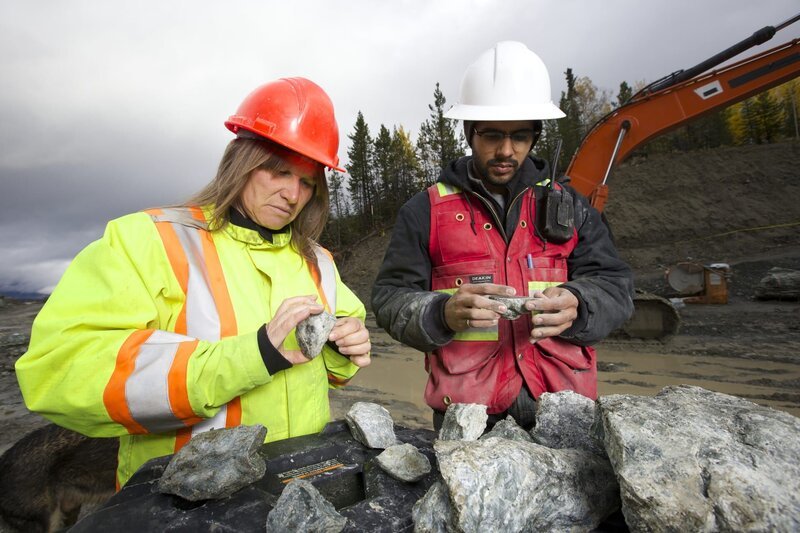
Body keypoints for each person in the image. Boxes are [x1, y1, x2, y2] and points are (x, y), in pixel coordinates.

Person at [15, 77, 371, 488]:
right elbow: (59, 371)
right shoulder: (148, 240)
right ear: (242, 161)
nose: (293, 194)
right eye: (278, 171)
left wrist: (345, 349)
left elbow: (332, 371)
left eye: (308, 181)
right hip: (178, 504)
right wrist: (250, 356)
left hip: (297, 489)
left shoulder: (320, 262)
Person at [371, 42, 634, 431]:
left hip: (563, 407)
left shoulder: (571, 207)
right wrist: (440, 313)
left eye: (520, 137)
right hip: (467, 414)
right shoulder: (425, 211)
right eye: (493, 135)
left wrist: (580, 302)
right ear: (470, 132)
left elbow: (616, 288)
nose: (506, 151)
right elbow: (390, 298)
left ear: (535, 136)